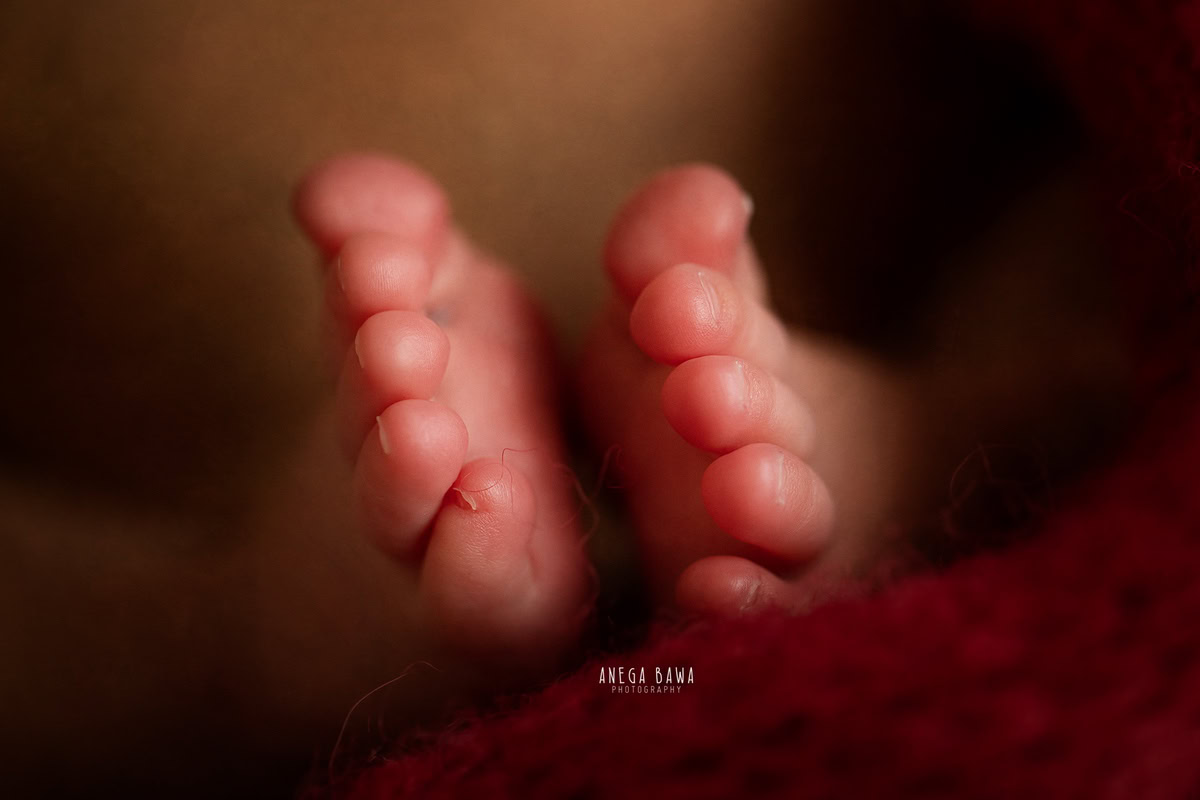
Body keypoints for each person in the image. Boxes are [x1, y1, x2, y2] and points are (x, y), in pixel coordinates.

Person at [0, 0, 1140, 794]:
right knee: (88, 652)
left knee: (1086, 265)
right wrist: (214, 638)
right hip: (168, 501)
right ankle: (248, 633)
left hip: (945, 234)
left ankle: (918, 443)